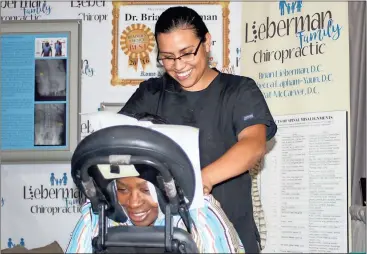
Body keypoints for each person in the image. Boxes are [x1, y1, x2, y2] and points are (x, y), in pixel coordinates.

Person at [118, 6, 277, 253]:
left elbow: (253, 145)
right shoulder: (150, 94)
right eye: (168, 57)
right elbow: (115, 144)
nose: (178, 65)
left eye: (186, 53)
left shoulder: (239, 91)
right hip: (168, 240)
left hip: (232, 237)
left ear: (207, 42)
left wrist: (199, 181)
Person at [66, 176, 245, 253]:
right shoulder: (97, 215)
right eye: (122, 189)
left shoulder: (200, 214)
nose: (134, 202)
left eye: (146, 189)